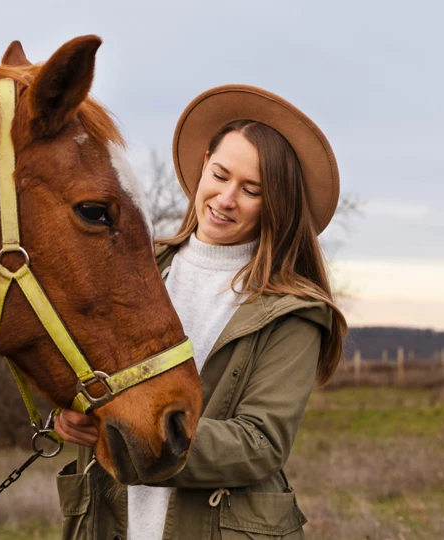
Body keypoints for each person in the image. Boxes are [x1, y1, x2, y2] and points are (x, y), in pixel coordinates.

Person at [54, 84, 348, 540]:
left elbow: (260, 443)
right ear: (202, 166)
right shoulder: (137, 266)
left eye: (251, 189)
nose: (226, 198)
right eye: (220, 174)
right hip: (114, 521)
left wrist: (140, 434)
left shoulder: (294, 312)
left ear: (278, 204)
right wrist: (68, 415)